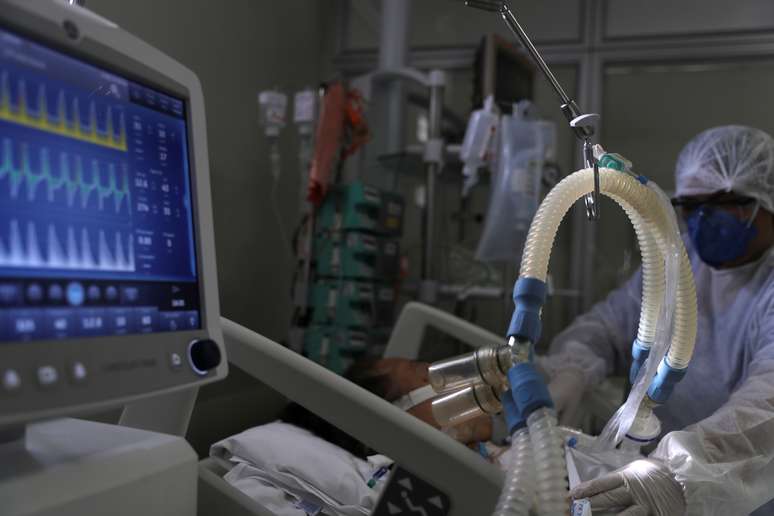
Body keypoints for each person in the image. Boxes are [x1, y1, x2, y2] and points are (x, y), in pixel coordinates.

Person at [544, 125, 774, 515]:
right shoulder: (678, 260)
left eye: (723, 204)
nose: (703, 220)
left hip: (746, 494)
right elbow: (607, 325)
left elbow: (766, 406)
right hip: (650, 477)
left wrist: (684, 466)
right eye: (689, 206)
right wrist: (572, 371)